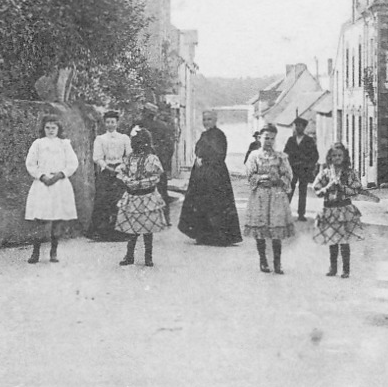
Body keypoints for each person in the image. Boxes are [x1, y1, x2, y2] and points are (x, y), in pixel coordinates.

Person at [177, 109, 243, 246]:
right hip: (201, 175)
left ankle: (219, 236)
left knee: (216, 203)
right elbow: (199, 150)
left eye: (209, 119)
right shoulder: (204, 134)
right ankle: (203, 235)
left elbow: (219, 154)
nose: (206, 122)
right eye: (204, 119)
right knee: (201, 203)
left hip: (215, 175)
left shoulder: (219, 135)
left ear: (215, 120)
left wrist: (204, 161)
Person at [312, 142, 376, 279]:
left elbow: (356, 190)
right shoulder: (325, 173)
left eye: (340, 155)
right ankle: (333, 267)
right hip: (330, 208)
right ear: (329, 157)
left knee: (344, 240)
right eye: (334, 155)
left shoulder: (349, 173)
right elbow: (317, 191)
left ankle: (346, 269)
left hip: (344, 208)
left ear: (345, 157)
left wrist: (342, 187)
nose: (337, 158)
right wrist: (328, 187)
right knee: (333, 239)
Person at [24, 114, 79, 264]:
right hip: (42, 184)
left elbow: (73, 163)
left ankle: (53, 252)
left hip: (59, 184)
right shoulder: (38, 143)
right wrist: (41, 176)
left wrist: (60, 175)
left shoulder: (64, 144)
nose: (50, 130)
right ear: (43, 128)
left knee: (57, 219)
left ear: (58, 129)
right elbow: (30, 163)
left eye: (53, 128)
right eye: (47, 128)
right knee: (40, 218)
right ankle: (35, 252)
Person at [244, 123, 294, 273]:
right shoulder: (254, 156)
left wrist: (280, 180)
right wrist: (262, 177)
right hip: (260, 194)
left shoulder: (280, 157)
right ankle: (263, 260)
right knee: (260, 228)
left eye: (272, 138)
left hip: (276, 195)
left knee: (275, 228)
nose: (269, 141)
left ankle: (277, 263)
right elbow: (250, 175)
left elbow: (288, 175)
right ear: (260, 138)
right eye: (266, 138)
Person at [114, 127, 167, 267]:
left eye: (142, 143)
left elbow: (156, 177)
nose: (139, 147)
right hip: (132, 197)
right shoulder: (130, 158)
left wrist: (141, 183)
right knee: (132, 229)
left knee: (147, 229)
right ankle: (129, 255)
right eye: (136, 143)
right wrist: (127, 180)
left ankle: (148, 257)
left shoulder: (152, 159)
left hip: (147, 197)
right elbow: (121, 172)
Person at [87, 110, 130, 242]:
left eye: (113, 122)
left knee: (120, 200)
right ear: (105, 123)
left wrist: (121, 167)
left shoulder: (124, 138)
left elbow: (128, 155)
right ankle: (101, 231)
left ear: (117, 123)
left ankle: (120, 232)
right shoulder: (100, 139)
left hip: (120, 171)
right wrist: (107, 167)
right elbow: (97, 157)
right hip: (106, 171)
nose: (110, 124)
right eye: (108, 122)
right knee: (102, 200)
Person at [283, 117, 320, 221]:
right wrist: (287, 165)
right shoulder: (291, 140)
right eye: (296, 125)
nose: (298, 128)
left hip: (304, 170)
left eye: (300, 126)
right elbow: (285, 153)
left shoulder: (309, 140)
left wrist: (309, 166)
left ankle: (301, 214)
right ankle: (285, 212)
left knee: (302, 192)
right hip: (292, 169)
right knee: (289, 190)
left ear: (304, 127)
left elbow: (315, 156)